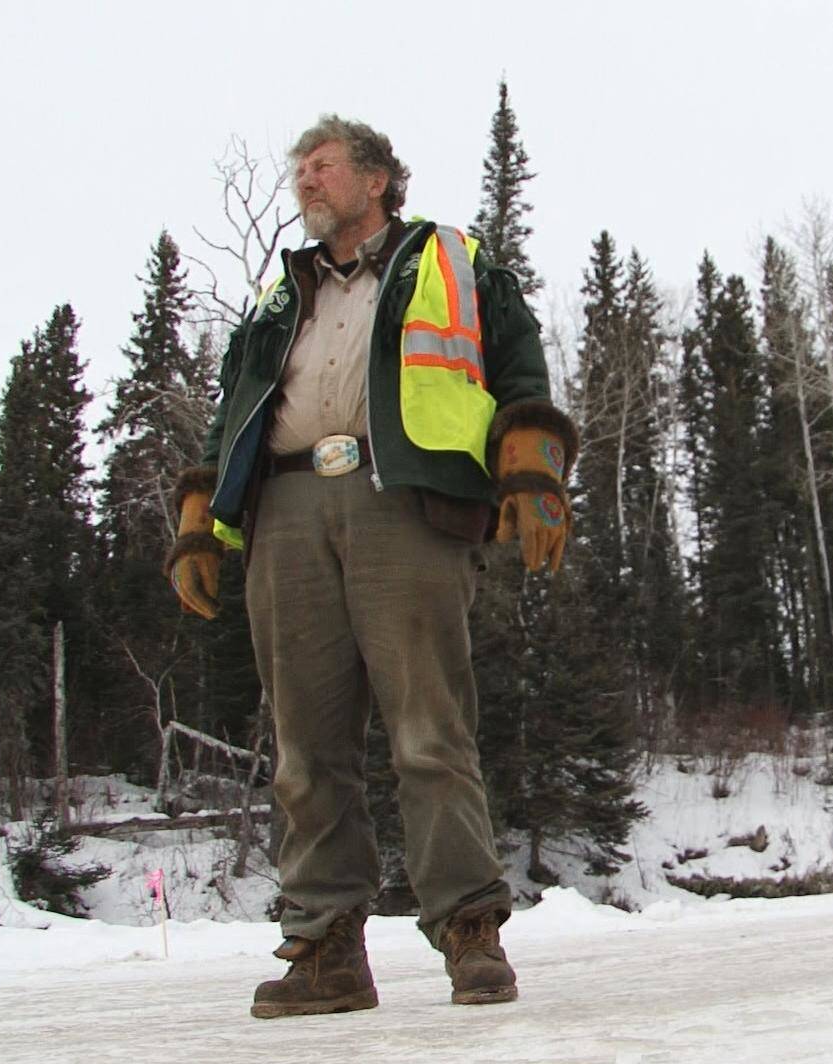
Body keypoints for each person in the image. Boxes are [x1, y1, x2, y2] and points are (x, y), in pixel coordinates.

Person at [163, 113, 576, 1018]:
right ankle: (327, 952)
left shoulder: (450, 261)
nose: (306, 182)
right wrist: (205, 526)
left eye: (323, 166)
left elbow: (516, 364)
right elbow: (232, 410)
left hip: (404, 501)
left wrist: (534, 469)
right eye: (298, 171)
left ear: (380, 178)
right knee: (305, 748)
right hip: (286, 509)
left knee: (429, 730)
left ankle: (470, 933)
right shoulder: (280, 298)